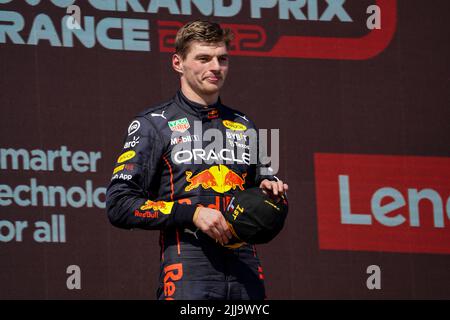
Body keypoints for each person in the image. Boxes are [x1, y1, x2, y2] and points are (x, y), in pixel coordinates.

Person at [106, 20, 288, 300]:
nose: (215, 67)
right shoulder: (151, 124)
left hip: (246, 270)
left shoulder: (247, 123)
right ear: (178, 63)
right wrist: (191, 212)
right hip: (188, 268)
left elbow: (268, 193)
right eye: (204, 58)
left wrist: (272, 195)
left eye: (222, 59)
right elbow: (119, 205)